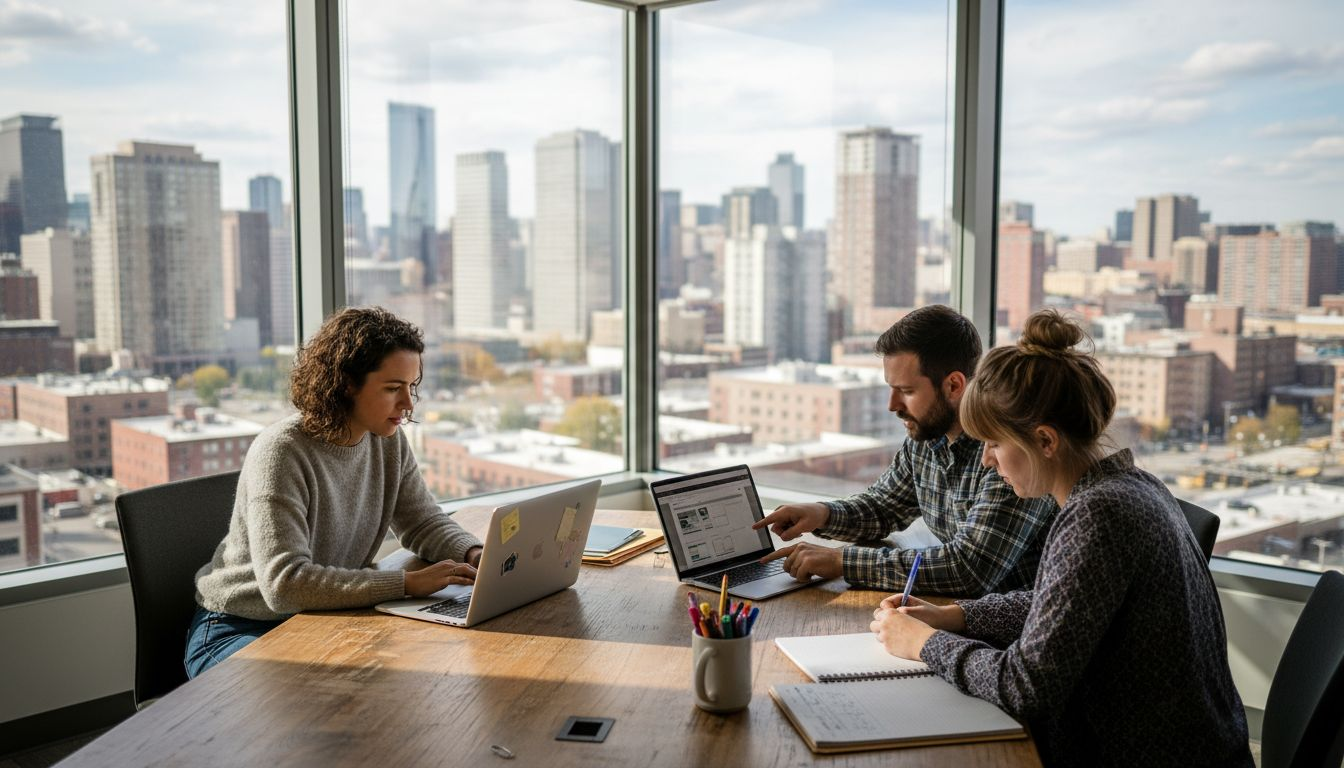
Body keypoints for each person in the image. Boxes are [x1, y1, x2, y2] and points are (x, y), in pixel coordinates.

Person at [870, 309, 1252, 767]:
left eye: (994, 443)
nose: (987, 460)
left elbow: (1024, 686)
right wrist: (956, 615)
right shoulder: (1131, 485)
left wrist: (923, 643)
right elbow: (1056, 601)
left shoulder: (1097, 516)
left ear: (1046, 441)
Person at [186, 307, 483, 677]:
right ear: (345, 384)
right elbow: (284, 585)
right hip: (240, 627)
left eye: (412, 387)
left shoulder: (387, 440)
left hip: (324, 617)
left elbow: (421, 522)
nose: (408, 404)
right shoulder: (282, 452)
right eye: (393, 389)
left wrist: (474, 554)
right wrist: (406, 584)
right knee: (317, 696)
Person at [754, 305, 1056, 595]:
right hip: (959, 611)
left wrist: (842, 562)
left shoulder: (1010, 453)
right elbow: (885, 506)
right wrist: (821, 514)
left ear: (953, 385)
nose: (892, 405)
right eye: (892, 388)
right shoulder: (926, 436)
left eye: (907, 391)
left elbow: (970, 568)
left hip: (1015, 621)